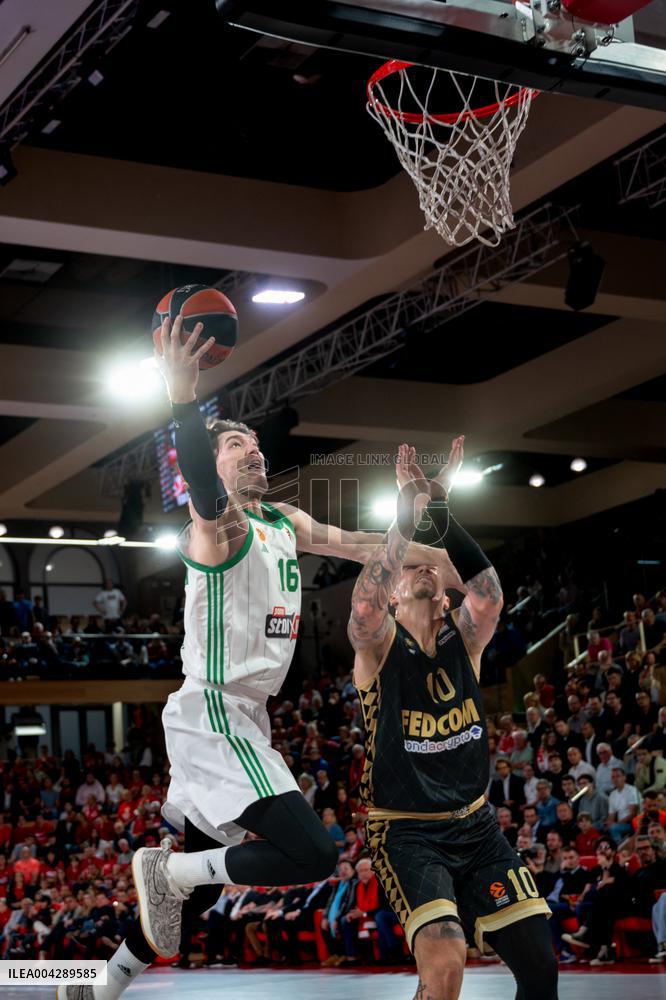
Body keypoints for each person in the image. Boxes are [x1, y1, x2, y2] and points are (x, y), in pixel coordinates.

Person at [60, 315, 440, 1000]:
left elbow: (364, 546)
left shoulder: (282, 521)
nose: (255, 451)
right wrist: (183, 400)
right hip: (213, 712)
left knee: (201, 891)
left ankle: (95, 988)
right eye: (238, 445)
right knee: (312, 852)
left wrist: (431, 539)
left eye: (256, 443)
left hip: (244, 716)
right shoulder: (219, 527)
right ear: (213, 464)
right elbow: (204, 492)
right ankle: (169, 872)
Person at [348, 438, 555, 1000]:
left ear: (445, 595)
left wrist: (437, 506)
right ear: (394, 596)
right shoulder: (378, 647)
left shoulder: (465, 640)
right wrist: (405, 511)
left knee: (541, 966)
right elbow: (363, 606)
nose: (421, 568)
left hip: (476, 825)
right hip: (406, 829)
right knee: (444, 968)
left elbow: (488, 593)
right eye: (408, 566)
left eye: (430, 565)